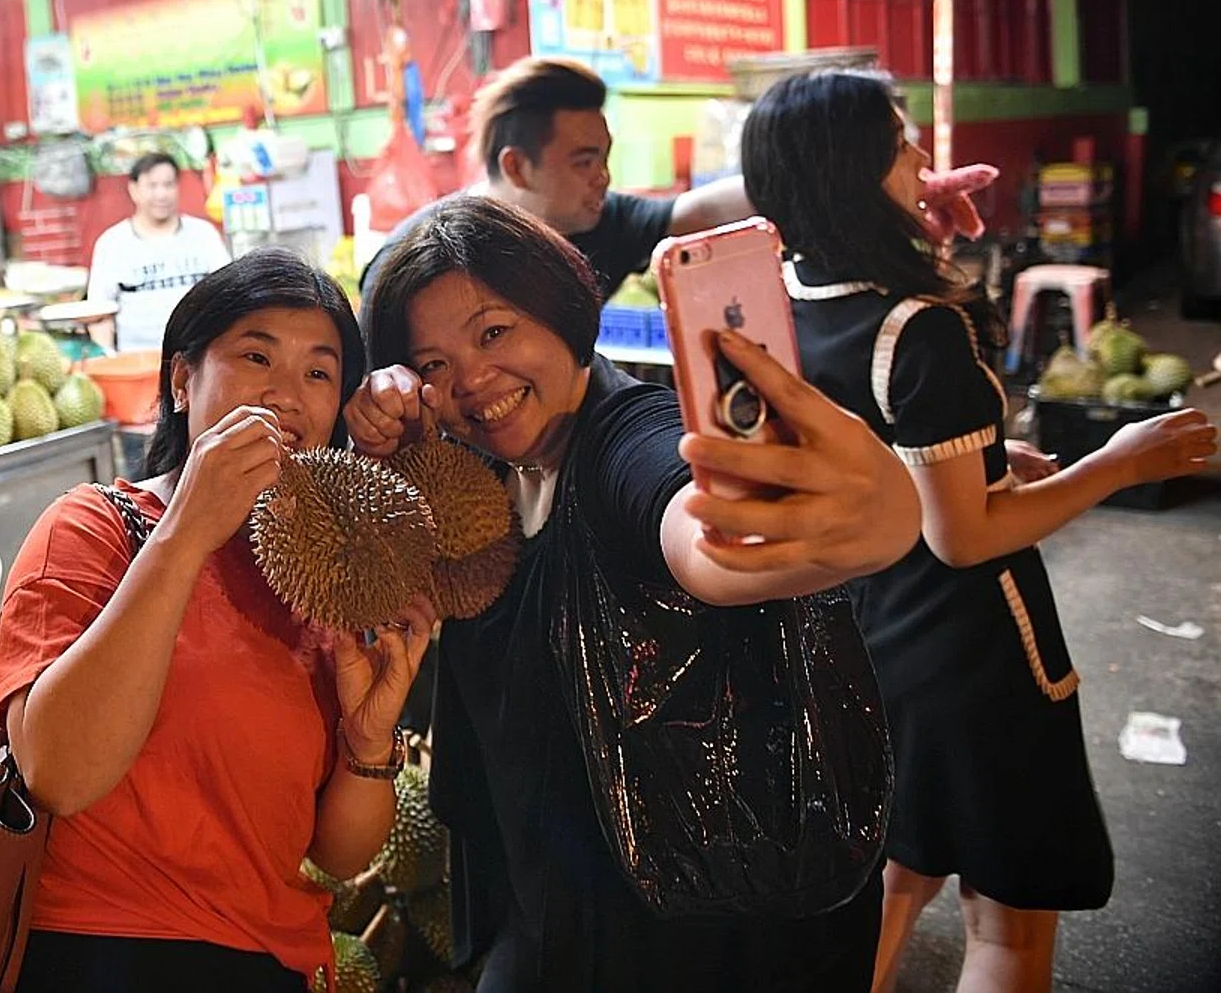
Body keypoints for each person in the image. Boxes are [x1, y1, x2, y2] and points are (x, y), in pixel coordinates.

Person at [346, 196, 924, 991]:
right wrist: (386, 446)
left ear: (560, 310)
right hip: (550, 902)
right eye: (434, 365)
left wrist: (868, 526)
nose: (472, 380)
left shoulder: (630, 439)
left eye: (494, 333)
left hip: (691, 929)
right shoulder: (483, 473)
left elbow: (700, 537)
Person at [741, 70, 1218, 993]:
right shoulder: (918, 327)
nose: (923, 157)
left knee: (897, 874)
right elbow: (964, 536)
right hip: (974, 655)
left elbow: (886, 452)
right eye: (900, 144)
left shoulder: (788, 299)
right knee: (1006, 929)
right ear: (852, 173)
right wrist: (1117, 463)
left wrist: (984, 457)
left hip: (868, 636)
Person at [0, 248, 434, 991]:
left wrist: (368, 743)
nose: (287, 395)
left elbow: (338, 855)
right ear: (180, 381)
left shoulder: (322, 581)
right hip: (103, 954)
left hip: (271, 959)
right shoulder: (92, 529)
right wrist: (186, 532)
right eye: (256, 356)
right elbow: (58, 775)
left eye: (319, 373)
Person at [363, 56, 753, 304]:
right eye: (584, 163)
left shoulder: (601, 221)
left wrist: (784, 180)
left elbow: (701, 211)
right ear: (516, 167)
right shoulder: (419, 256)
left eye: (604, 158)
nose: (603, 177)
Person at [86, 153, 232, 353]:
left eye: (168, 185)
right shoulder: (112, 243)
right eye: (152, 186)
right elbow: (100, 314)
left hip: (197, 358)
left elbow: (226, 297)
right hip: (138, 361)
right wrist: (108, 358)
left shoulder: (203, 234)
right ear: (134, 190)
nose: (161, 194)